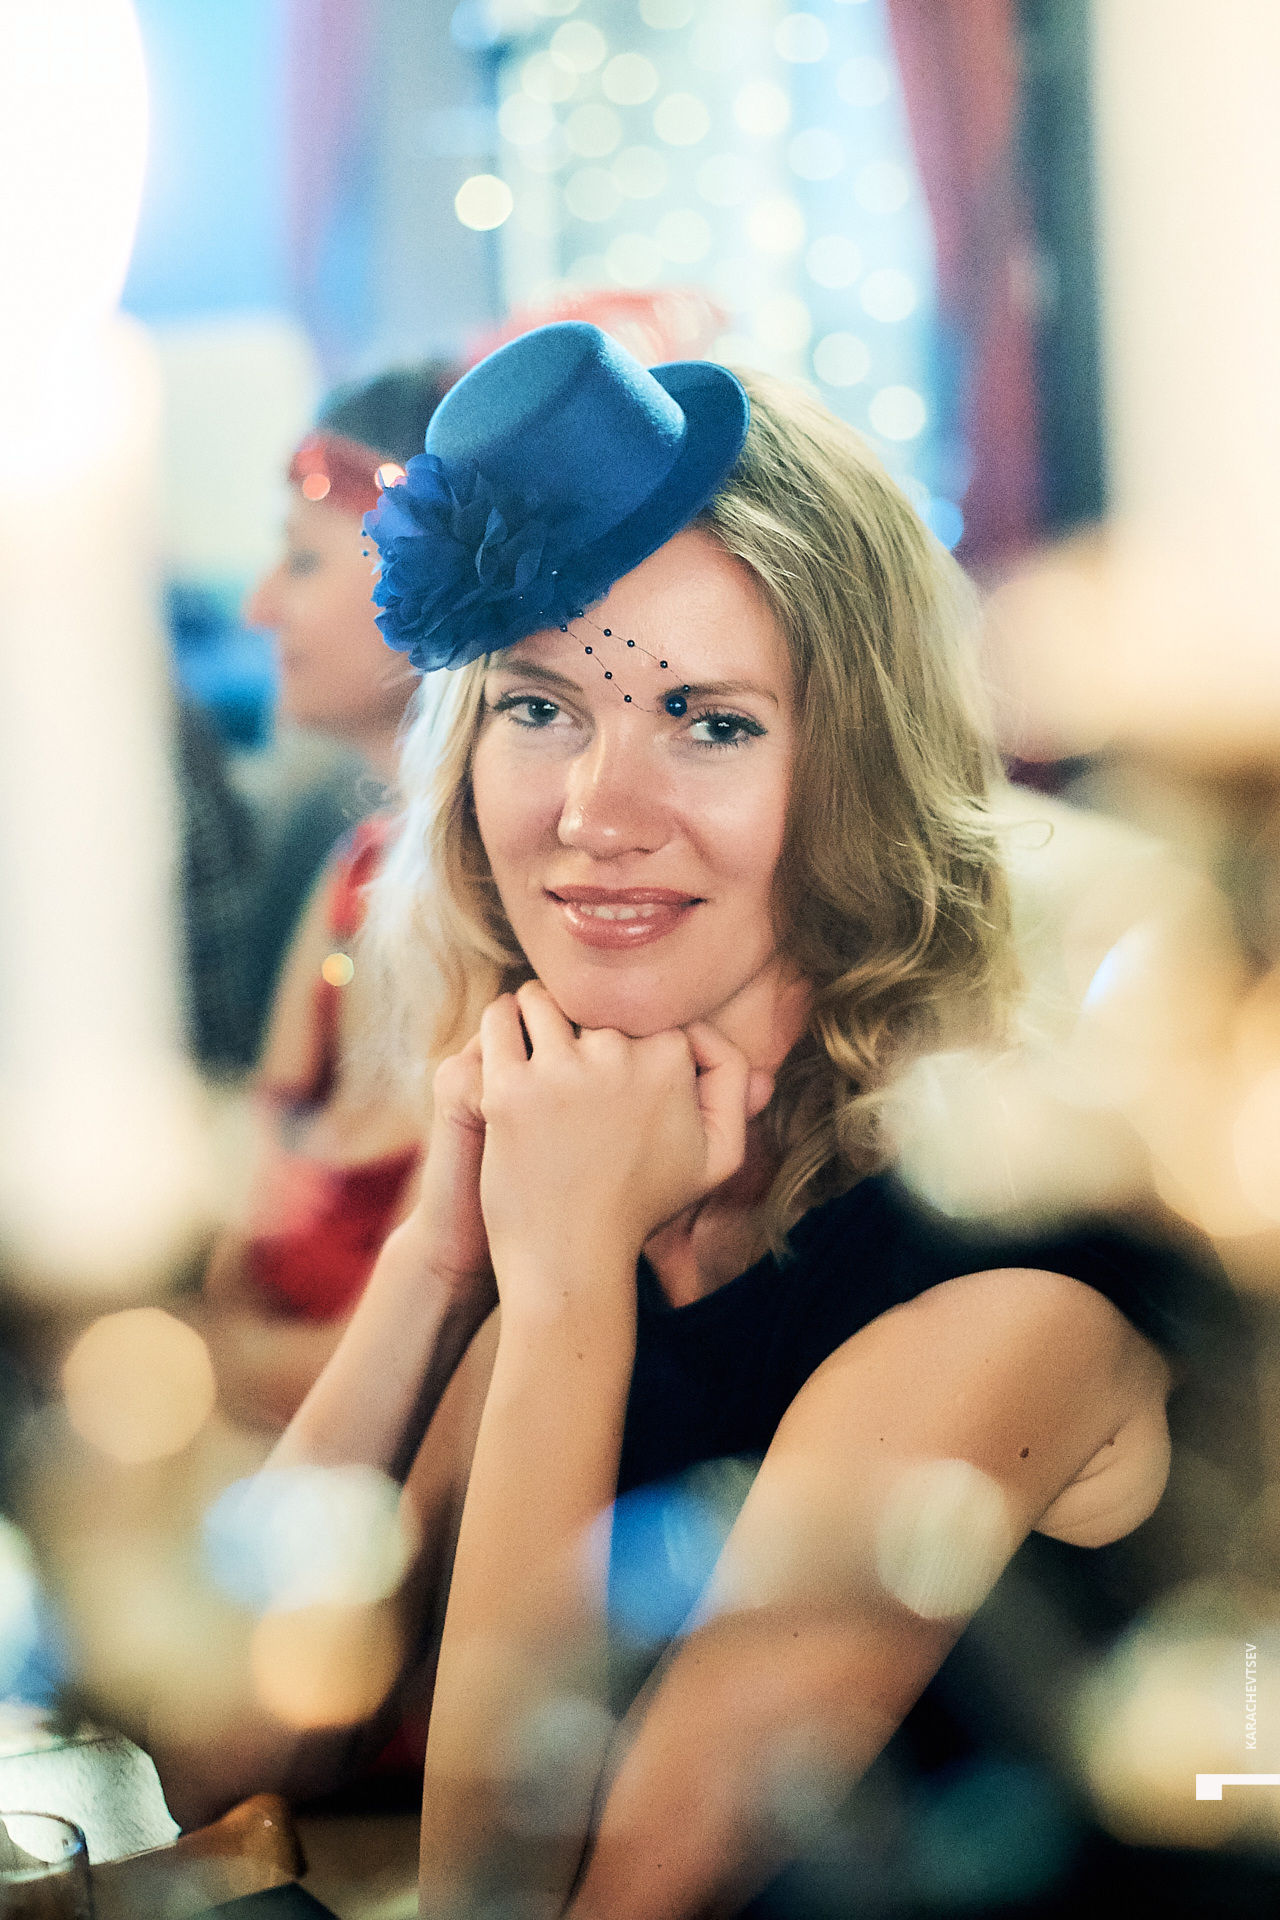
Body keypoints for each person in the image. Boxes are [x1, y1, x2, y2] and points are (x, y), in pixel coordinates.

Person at [159, 324, 1245, 1913]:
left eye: (711, 721)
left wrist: (562, 1289)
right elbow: (223, 1744)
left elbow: (530, 1898)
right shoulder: (603, 1154)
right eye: (540, 710)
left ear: (855, 776)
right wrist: (437, 1264)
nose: (596, 815)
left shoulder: (1001, 1279)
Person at [197, 365, 452, 1432]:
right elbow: (229, 1274)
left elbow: (430, 1376)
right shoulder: (352, 875)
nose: (258, 606)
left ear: (430, 577)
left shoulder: (533, 923)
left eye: (301, 560)